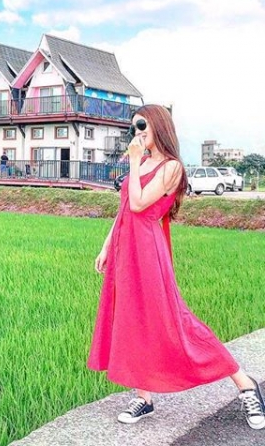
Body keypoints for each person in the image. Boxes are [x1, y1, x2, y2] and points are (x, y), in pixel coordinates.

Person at [87, 104, 264, 430]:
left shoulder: (171, 168)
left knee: (175, 321)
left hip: (148, 251)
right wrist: (107, 245)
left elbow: (140, 204)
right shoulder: (142, 163)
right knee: (132, 319)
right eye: (134, 127)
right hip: (125, 250)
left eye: (142, 125)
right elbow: (124, 208)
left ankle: (245, 383)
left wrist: (135, 162)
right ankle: (144, 397)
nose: (137, 133)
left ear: (159, 125)